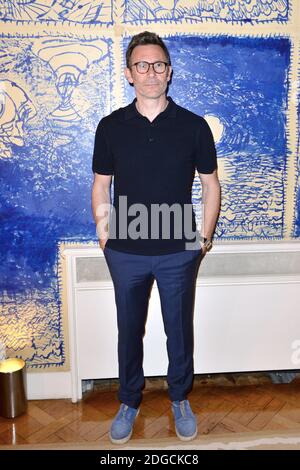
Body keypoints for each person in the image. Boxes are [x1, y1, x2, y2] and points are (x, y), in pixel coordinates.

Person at [92, 31, 221, 444]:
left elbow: (211, 184)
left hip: (179, 251)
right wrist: (103, 232)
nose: (151, 72)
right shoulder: (110, 126)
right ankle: (129, 400)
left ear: (170, 72)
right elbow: (100, 185)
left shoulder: (194, 126)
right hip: (125, 251)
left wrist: (204, 237)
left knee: (178, 330)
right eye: (142, 65)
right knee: (129, 330)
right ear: (129, 74)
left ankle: (180, 398)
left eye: (159, 64)